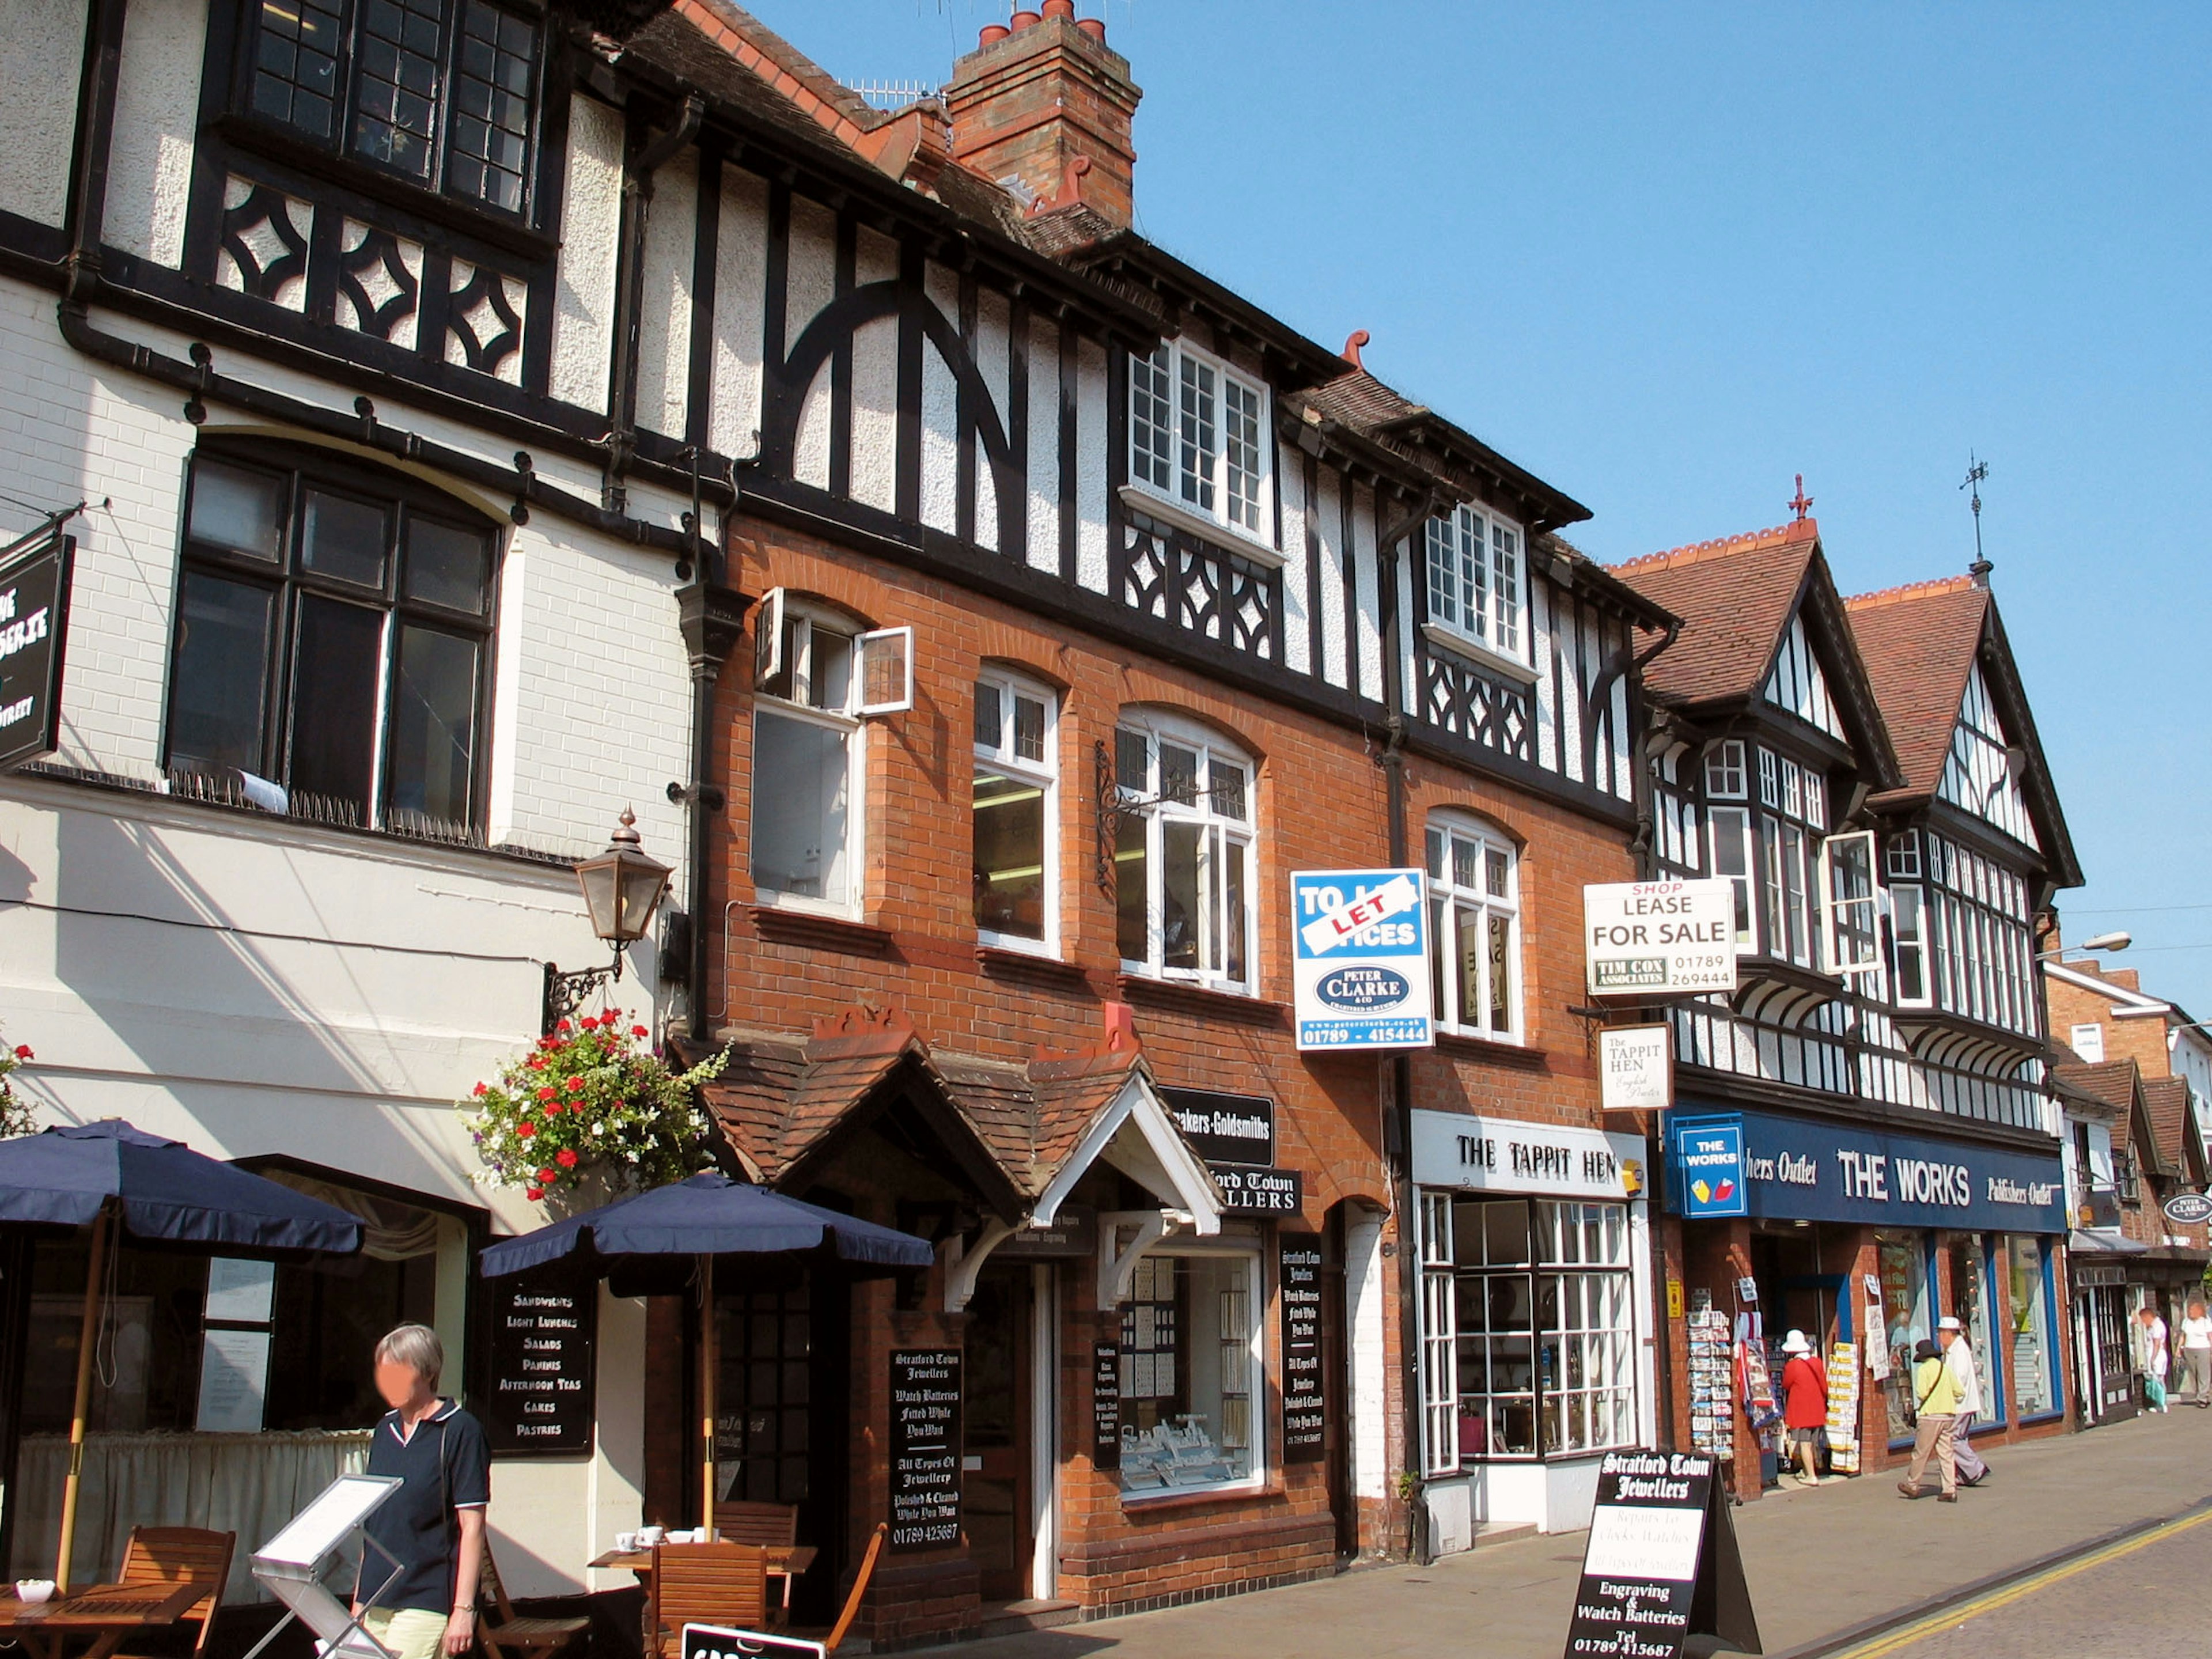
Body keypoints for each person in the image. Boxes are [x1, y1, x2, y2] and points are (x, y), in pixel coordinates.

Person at [353, 1325, 490, 1659]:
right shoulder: (384, 1431)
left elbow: (472, 1527)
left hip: (427, 1596)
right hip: (376, 1597)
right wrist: (358, 1599)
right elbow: (373, 1524)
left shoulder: (460, 1430)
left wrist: (463, 1610)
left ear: (428, 1372)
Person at [1897, 1338, 1961, 1502]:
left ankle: (1913, 1485)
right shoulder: (1945, 1369)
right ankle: (1950, 1489)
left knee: (1921, 1453)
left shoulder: (1924, 1370)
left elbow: (1922, 1393)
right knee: (1946, 1453)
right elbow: (1960, 1391)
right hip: (1948, 1415)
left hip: (1930, 1416)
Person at [1937, 1317, 1988, 1488]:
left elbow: (1959, 1378)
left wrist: (1951, 1400)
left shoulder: (1959, 1351)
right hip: (1963, 1403)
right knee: (1960, 1438)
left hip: (1961, 1404)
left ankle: (1976, 1468)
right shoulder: (1954, 1349)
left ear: (1948, 1334)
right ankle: (1964, 1474)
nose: (1939, 1338)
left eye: (1940, 1333)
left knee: (1953, 1438)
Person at [1778, 1330, 1829, 1487]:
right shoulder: (1817, 1362)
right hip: (1817, 1408)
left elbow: (1786, 1384)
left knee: (1805, 1443)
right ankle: (1809, 1471)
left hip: (1802, 1410)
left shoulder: (1793, 1366)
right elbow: (1824, 1386)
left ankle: (1811, 1476)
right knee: (1812, 1442)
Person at [2138, 1303, 2172, 1412]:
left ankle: (2160, 1403)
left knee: (2156, 1379)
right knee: (2157, 1379)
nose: (2143, 1322)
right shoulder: (2155, 1325)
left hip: (2156, 1355)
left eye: (2143, 1319)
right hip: (2158, 1354)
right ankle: (2159, 1403)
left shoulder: (2157, 1326)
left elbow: (2157, 1343)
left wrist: (2153, 1358)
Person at [2179, 1298, 2212, 1407]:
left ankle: (2203, 1398)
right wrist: (2179, 1349)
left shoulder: (2205, 1322)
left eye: (2192, 1310)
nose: (2190, 1312)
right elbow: (2183, 1336)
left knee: (2204, 1373)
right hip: (2189, 1349)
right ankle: (2203, 1394)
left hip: (2203, 1348)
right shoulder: (2186, 1322)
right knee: (2194, 1373)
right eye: (2189, 1310)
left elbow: (2210, 1336)